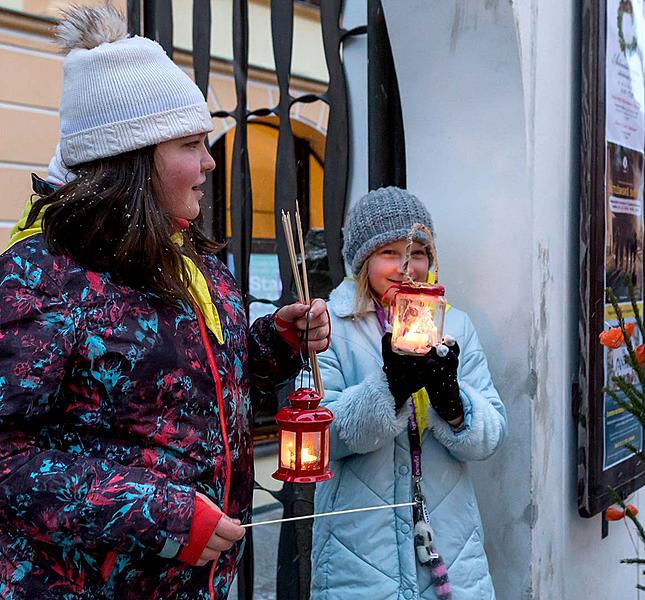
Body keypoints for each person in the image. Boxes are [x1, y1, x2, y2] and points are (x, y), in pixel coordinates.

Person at [0, 5, 328, 598]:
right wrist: (166, 517)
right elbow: (8, 460)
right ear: (131, 158)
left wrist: (272, 344)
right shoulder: (41, 276)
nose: (209, 163)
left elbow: (186, 389)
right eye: (191, 144)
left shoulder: (188, 257)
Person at [312, 187, 507, 599]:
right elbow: (319, 439)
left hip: (452, 550)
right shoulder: (330, 326)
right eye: (389, 252)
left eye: (417, 252)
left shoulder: (457, 327)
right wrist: (389, 390)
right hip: (360, 558)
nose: (406, 266)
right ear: (363, 260)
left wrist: (455, 406)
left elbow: (491, 435)